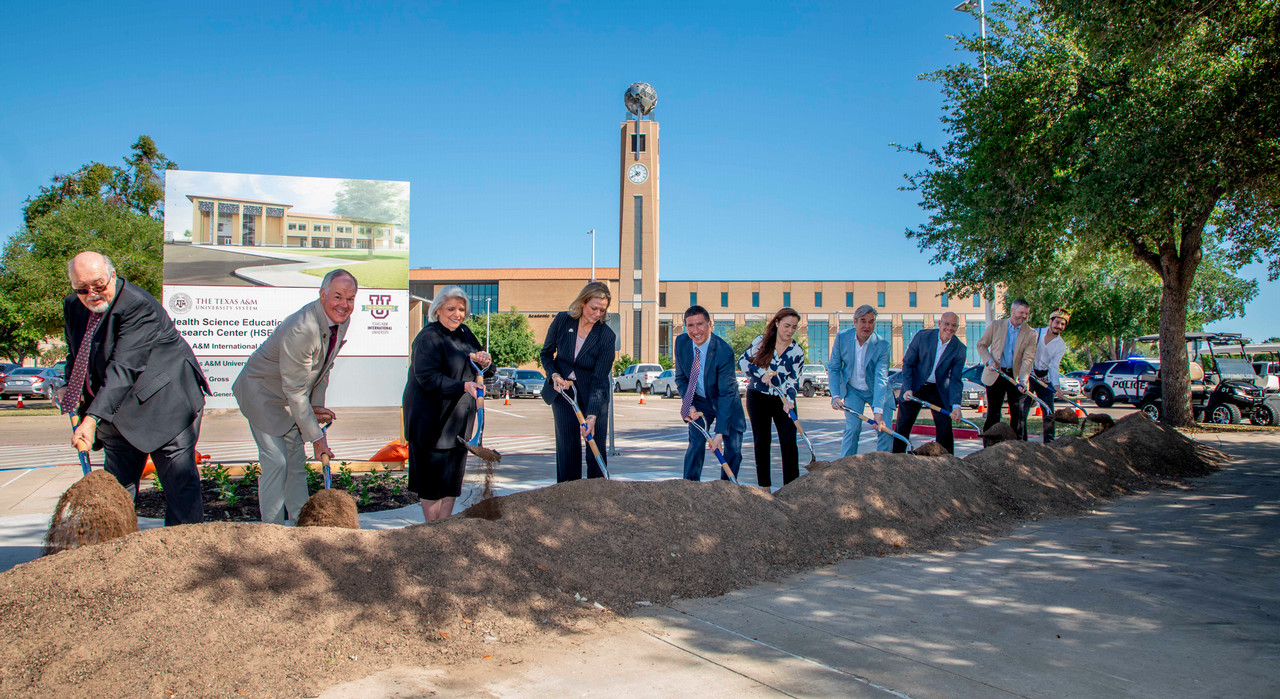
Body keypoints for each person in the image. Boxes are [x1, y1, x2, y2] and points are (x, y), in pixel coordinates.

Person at [60, 252, 210, 525]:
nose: (92, 294)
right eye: (82, 289)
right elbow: (77, 353)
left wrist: (92, 418)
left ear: (113, 276)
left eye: (99, 285)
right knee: (116, 490)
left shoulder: (138, 306)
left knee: (180, 486)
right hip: (116, 411)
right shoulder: (73, 305)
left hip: (165, 405)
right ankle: (114, 550)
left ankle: (185, 554)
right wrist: (68, 386)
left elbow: (125, 366)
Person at [233, 269, 355, 525]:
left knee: (295, 465)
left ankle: (304, 528)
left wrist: (317, 405)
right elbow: (296, 392)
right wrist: (318, 439)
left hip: (291, 397)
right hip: (263, 395)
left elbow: (324, 366)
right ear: (322, 294)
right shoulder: (302, 328)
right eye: (337, 296)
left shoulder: (340, 320)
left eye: (350, 298)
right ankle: (273, 532)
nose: (344, 304)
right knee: (276, 463)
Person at [403, 286, 493, 521]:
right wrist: (463, 386)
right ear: (438, 309)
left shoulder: (464, 333)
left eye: (461, 309)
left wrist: (484, 360)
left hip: (457, 422)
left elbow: (484, 369)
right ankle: (433, 528)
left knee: (451, 482)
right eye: (451, 308)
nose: (457, 314)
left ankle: (444, 527)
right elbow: (428, 378)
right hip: (430, 422)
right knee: (432, 483)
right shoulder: (428, 337)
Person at [540, 281, 617, 482]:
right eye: (594, 308)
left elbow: (600, 380)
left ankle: (598, 496)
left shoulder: (606, 336)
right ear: (583, 303)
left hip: (593, 392)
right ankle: (568, 495)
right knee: (567, 446)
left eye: (603, 309)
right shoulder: (562, 321)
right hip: (563, 391)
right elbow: (546, 354)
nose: (598, 314)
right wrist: (555, 376)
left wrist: (591, 415)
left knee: (595, 445)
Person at [674, 305, 746, 481]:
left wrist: (719, 433)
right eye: (690, 325)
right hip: (700, 402)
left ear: (710, 324)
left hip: (726, 402)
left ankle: (727, 490)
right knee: (696, 443)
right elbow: (682, 379)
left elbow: (726, 394)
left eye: (700, 324)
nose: (695, 331)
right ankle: (689, 487)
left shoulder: (724, 351)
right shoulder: (681, 343)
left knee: (734, 450)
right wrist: (688, 404)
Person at [739, 307, 806, 490]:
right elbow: (742, 361)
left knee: (789, 442)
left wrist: (790, 400)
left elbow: (794, 380)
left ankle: (791, 488)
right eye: (786, 325)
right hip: (758, 398)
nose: (790, 330)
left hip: (782, 400)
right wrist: (761, 373)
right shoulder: (761, 341)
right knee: (762, 442)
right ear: (776, 323)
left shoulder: (797, 352)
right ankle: (765, 487)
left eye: (794, 327)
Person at [892, 312, 967, 454]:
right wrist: (907, 388)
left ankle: (947, 463)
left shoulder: (959, 349)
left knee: (945, 426)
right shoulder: (922, 337)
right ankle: (897, 460)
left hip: (938, 390)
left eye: (953, 325)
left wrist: (956, 406)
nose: (949, 328)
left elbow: (956, 379)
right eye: (946, 324)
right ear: (939, 323)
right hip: (915, 387)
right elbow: (908, 364)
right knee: (903, 426)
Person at [827, 305, 890, 458]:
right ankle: (845, 467)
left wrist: (878, 412)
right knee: (853, 428)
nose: (867, 326)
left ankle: (884, 468)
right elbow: (834, 368)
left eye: (871, 322)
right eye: (863, 321)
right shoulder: (842, 338)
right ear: (855, 322)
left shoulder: (883, 346)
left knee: (885, 430)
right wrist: (836, 396)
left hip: (877, 391)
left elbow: (881, 378)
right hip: (853, 390)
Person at [976, 298, 1037, 439]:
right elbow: (981, 345)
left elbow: (1028, 358)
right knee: (994, 413)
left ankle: (1018, 448)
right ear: (1012, 311)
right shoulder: (996, 326)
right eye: (1021, 312)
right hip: (996, 374)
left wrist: (1023, 379)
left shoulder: (1030, 333)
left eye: (1026, 313)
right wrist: (989, 361)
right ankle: (989, 447)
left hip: (1016, 377)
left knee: (1019, 414)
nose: (1023, 316)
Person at [1022, 307, 1071, 443]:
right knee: (1023, 410)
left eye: (1063, 324)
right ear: (1050, 321)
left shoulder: (1060, 344)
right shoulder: (1036, 333)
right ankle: (1021, 442)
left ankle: (1049, 443)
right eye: (1057, 322)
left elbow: (1054, 366)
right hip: (1029, 376)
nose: (1059, 326)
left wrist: (1056, 386)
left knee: (1049, 411)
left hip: (1044, 378)